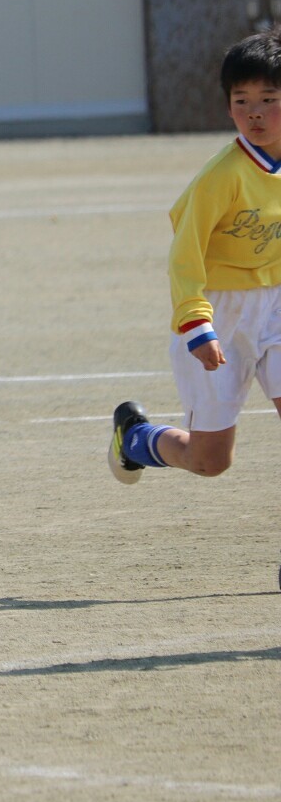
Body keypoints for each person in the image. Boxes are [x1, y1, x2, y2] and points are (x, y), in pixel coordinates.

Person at [110, 33, 281, 512]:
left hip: (278, 305)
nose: (255, 113)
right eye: (241, 101)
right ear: (229, 108)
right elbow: (184, 256)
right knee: (209, 460)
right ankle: (136, 438)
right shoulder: (221, 176)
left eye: (269, 100)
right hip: (221, 315)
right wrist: (195, 323)